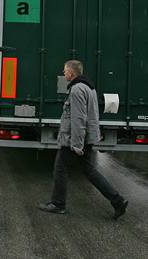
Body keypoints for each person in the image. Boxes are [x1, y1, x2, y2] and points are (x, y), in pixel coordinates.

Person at [38, 60, 128, 220]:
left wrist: (76, 144)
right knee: (89, 171)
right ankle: (118, 201)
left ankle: (58, 204)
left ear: (72, 73)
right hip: (85, 138)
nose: (64, 73)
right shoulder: (88, 87)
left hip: (76, 139)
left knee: (60, 168)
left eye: (65, 71)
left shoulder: (77, 89)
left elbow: (79, 119)